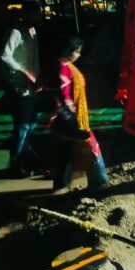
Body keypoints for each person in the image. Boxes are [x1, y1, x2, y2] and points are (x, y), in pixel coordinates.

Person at [51, 36, 108, 191]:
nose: (78, 55)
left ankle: (61, 185)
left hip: (65, 115)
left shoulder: (65, 65)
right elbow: (64, 93)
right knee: (90, 146)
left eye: (79, 52)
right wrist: (73, 112)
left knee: (66, 150)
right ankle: (99, 181)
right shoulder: (64, 67)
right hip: (70, 116)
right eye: (76, 51)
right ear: (69, 50)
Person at [0, 2, 42, 175]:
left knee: (31, 122)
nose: (38, 18)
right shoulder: (15, 32)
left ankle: (25, 152)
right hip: (19, 84)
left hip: (31, 83)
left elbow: (34, 57)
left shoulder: (33, 32)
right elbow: (5, 55)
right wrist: (23, 72)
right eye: (35, 14)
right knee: (23, 125)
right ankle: (17, 160)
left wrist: (37, 77)